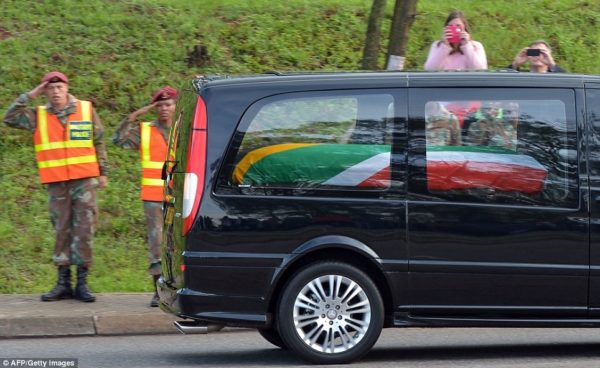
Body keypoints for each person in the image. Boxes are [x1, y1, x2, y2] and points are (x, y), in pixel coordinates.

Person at [3, 71, 108, 302]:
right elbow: (9, 117)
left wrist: (103, 172)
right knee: (61, 230)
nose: (56, 92)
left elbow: (98, 140)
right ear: (45, 92)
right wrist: (30, 95)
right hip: (57, 184)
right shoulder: (38, 115)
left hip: (84, 181)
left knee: (84, 230)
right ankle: (63, 283)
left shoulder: (85, 109)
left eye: (59, 87)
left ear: (67, 88)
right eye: (50, 89)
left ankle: (82, 283)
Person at [112, 86, 177, 307]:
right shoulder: (145, 131)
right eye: (159, 105)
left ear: (176, 106)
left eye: (168, 104)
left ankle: (178, 290)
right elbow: (117, 140)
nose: (164, 109)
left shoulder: (184, 129)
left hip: (180, 196)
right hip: (153, 197)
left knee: (177, 243)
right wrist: (134, 115)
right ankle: (158, 291)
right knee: (157, 244)